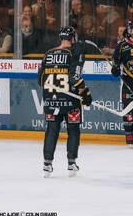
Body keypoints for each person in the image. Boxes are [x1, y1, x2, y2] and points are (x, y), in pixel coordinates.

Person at [37, 26, 92, 177]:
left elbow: (40, 80)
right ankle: (71, 162)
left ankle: (47, 163)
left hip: (50, 101)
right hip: (70, 102)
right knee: (73, 130)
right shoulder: (74, 52)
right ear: (72, 37)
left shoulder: (48, 54)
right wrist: (86, 94)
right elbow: (74, 78)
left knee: (51, 131)